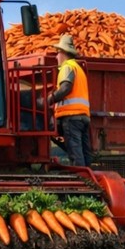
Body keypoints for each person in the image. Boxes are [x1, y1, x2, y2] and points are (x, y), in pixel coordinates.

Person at [45, 34, 92, 167]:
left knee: (75, 152)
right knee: (84, 151)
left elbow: (66, 88)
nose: (56, 56)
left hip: (71, 117)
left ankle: (82, 179)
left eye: (57, 53)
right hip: (83, 117)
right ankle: (89, 175)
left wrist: (50, 99)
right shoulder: (79, 68)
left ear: (63, 53)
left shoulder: (67, 67)